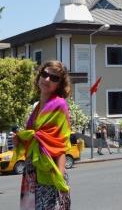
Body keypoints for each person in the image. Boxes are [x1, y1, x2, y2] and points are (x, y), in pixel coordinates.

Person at [14, 61, 72, 210]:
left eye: (54, 78)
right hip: (31, 172)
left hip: (50, 174)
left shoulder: (60, 105)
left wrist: (59, 180)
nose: (47, 79)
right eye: (45, 74)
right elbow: (35, 141)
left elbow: (60, 146)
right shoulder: (36, 106)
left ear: (59, 84)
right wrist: (19, 141)